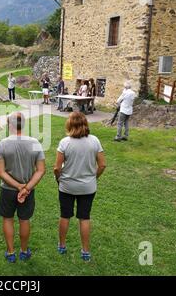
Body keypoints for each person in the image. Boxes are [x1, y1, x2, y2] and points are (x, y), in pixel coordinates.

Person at [53, 112, 106, 262]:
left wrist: (59, 180)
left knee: (65, 215)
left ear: (70, 124)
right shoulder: (94, 140)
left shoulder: (65, 142)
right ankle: (85, 251)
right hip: (88, 187)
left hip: (67, 186)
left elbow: (56, 168)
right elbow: (102, 165)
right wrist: (93, 178)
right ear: (85, 124)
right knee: (84, 217)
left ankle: (62, 246)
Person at [0, 112, 46, 263]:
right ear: (23, 124)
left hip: (8, 190)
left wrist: (18, 186)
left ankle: (11, 253)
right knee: (24, 220)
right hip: (27, 192)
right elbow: (41, 170)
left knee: (8, 219)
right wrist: (26, 188)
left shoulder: (3, 144)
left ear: (10, 125)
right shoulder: (35, 142)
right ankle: (24, 252)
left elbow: (0, 172)